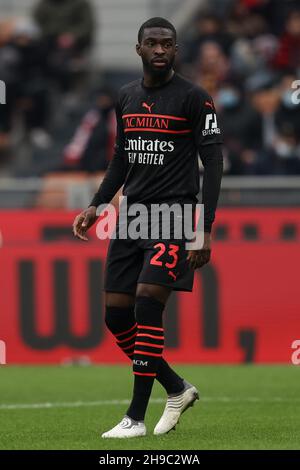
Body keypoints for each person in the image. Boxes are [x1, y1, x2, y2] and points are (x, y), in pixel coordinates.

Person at [73, 17, 223, 438]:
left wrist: (204, 227)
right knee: (115, 316)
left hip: (172, 216)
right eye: (152, 43)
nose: (160, 50)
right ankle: (176, 388)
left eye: (168, 44)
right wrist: (97, 204)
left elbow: (212, 163)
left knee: (146, 304)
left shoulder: (195, 98)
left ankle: (135, 417)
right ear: (138, 49)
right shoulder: (125, 97)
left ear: (176, 50)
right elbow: (122, 157)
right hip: (131, 216)